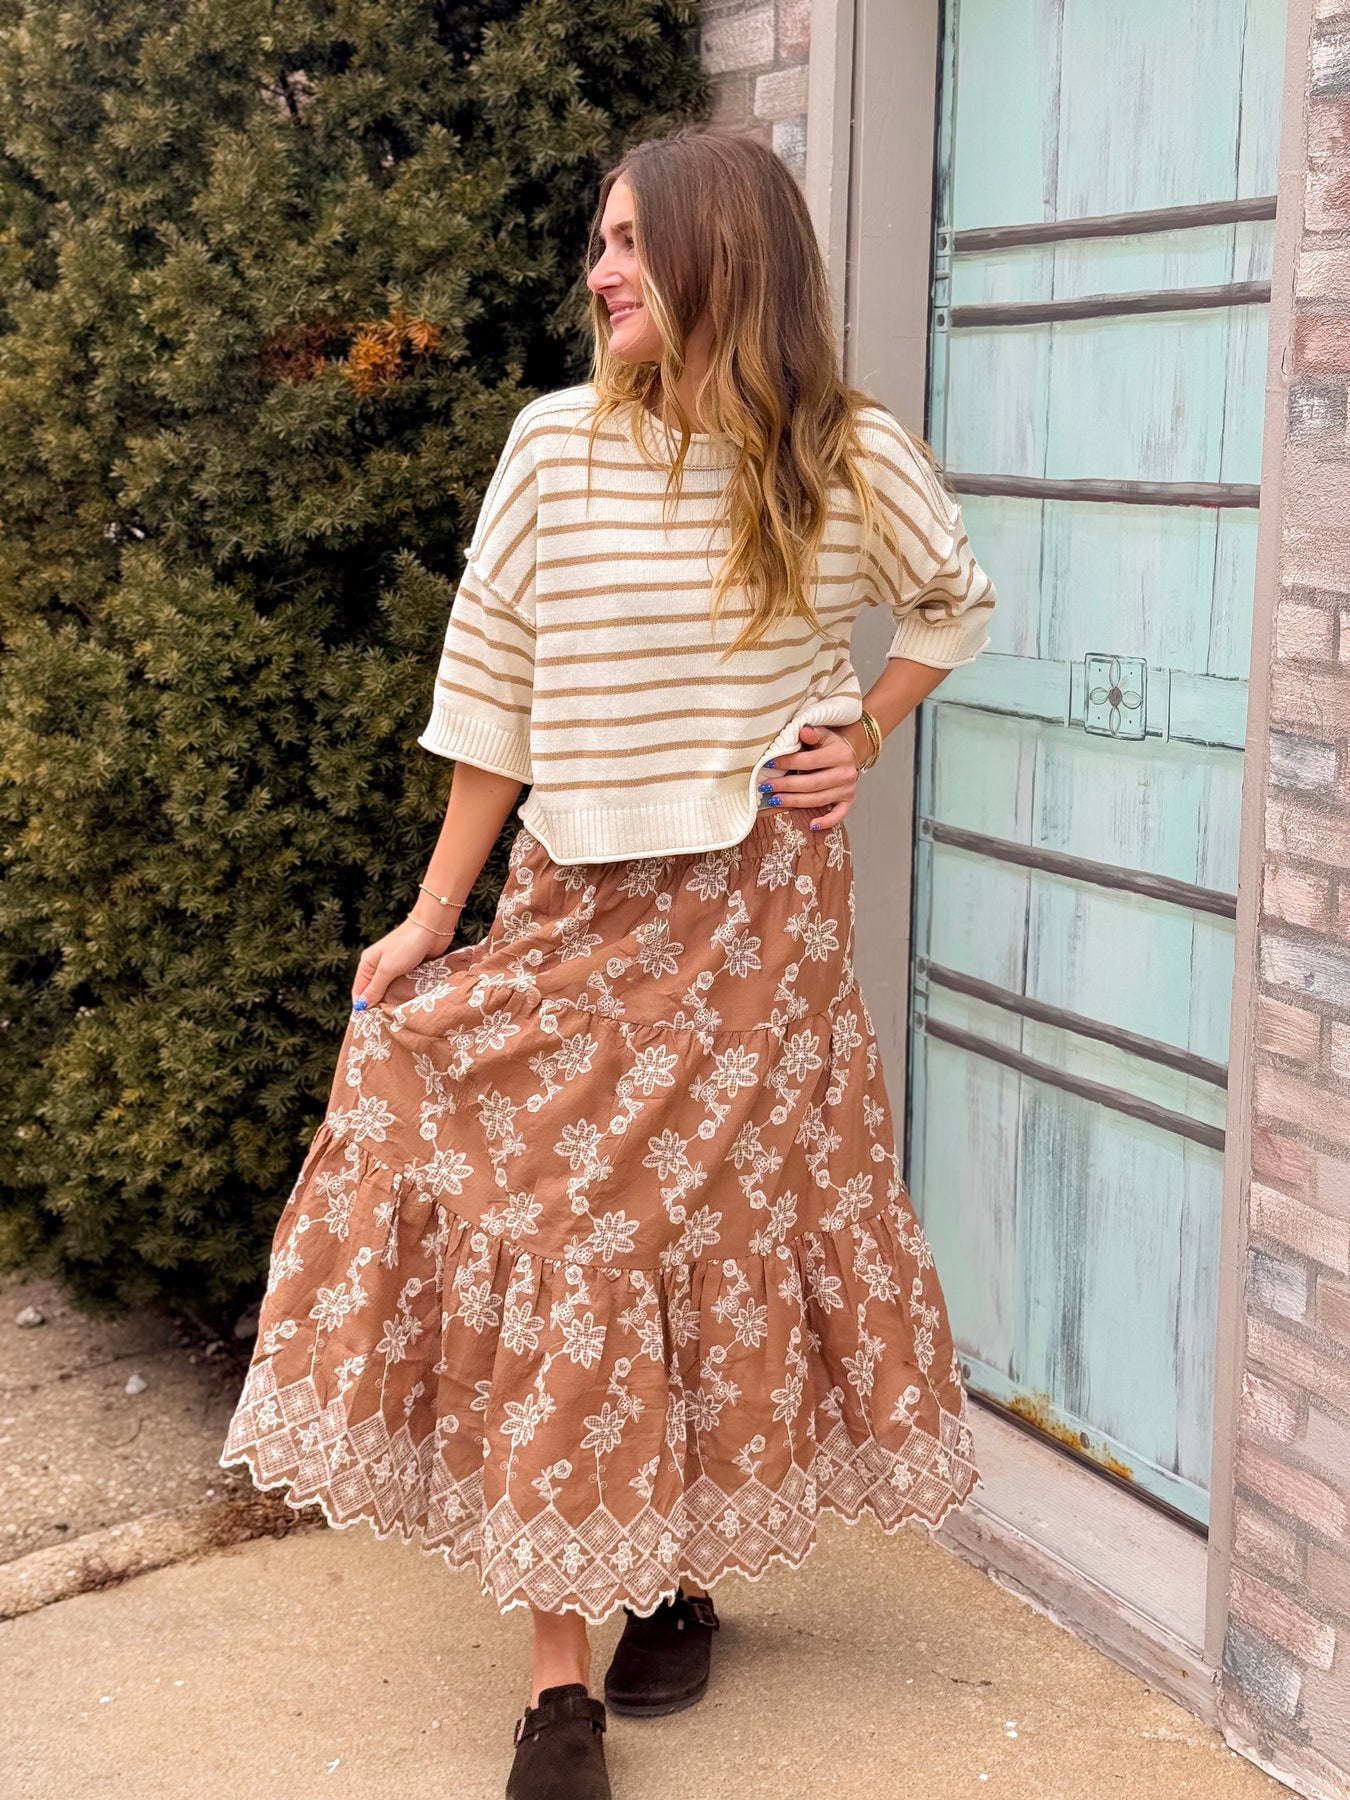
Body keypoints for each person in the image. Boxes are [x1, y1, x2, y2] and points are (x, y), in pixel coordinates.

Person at [222, 126, 994, 1800]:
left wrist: (864, 731)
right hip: (580, 909)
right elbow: (490, 692)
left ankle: (671, 1579)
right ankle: (558, 1680)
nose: (601, 272)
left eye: (633, 240)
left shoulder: (844, 454)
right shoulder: (553, 446)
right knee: (571, 1238)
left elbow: (955, 602)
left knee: (695, 1240)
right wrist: (434, 916)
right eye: (600, 241)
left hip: (761, 932)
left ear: (726, 254)